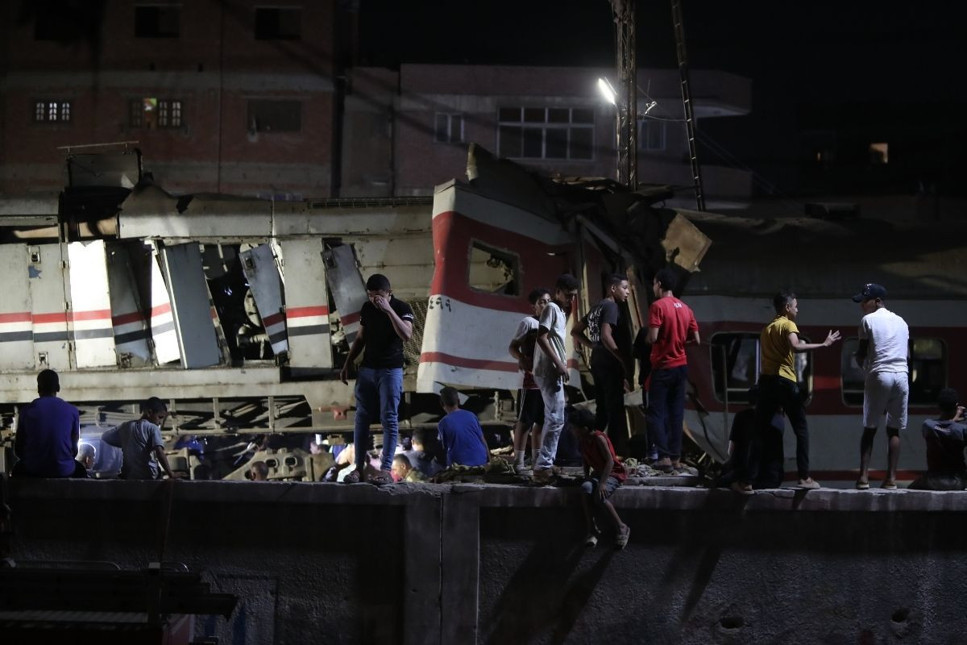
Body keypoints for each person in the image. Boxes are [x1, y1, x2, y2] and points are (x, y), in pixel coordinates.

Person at [734, 291, 840, 494]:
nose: (797, 309)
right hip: (785, 382)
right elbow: (796, 346)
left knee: (759, 433)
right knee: (801, 430)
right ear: (787, 308)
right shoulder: (788, 324)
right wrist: (824, 344)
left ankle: (747, 481)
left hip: (766, 383)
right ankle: (804, 476)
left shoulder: (767, 329)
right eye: (796, 306)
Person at [340, 273, 415, 484]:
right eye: (372, 296)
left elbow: (407, 335)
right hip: (367, 369)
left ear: (389, 293)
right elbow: (361, 338)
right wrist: (348, 363)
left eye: (380, 295)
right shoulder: (367, 308)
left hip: (390, 370)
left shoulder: (402, 308)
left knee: (389, 418)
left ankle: (384, 470)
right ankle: (357, 469)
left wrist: (388, 310)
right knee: (361, 418)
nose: (376, 300)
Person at [852, 283, 909, 490]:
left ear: (877, 301)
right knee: (893, 430)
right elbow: (905, 353)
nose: (862, 306)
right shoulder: (902, 322)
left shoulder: (868, 320)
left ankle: (863, 478)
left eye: (865, 301)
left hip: (880, 374)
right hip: (901, 376)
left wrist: (858, 362)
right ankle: (891, 479)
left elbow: (862, 352)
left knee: (870, 428)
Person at [642, 268, 700, 475]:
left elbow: (653, 337)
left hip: (663, 366)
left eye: (654, 284)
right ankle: (676, 458)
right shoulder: (686, 308)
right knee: (676, 412)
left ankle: (664, 457)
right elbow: (697, 339)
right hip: (681, 366)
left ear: (658, 284)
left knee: (655, 413)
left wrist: (649, 338)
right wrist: (679, 341)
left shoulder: (657, 306)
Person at [571, 273, 633, 456]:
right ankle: (614, 452)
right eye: (625, 288)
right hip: (609, 362)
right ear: (613, 288)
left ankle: (591, 447)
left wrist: (593, 346)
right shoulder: (612, 306)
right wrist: (621, 358)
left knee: (602, 408)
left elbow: (575, 331)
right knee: (615, 408)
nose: (628, 292)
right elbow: (606, 335)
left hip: (597, 360)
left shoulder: (596, 307)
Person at [532, 273, 580, 484]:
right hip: (549, 370)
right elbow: (541, 337)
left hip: (553, 370)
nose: (571, 300)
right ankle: (543, 466)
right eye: (568, 295)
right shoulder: (552, 308)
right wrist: (560, 364)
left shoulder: (560, 310)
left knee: (554, 417)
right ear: (558, 291)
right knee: (555, 418)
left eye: (573, 296)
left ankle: (546, 463)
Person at [569, 407, 631, 550]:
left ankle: (622, 527)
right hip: (597, 474)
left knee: (599, 496)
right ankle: (592, 530)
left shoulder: (599, 438)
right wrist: (586, 477)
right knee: (585, 489)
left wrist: (602, 483)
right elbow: (585, 460)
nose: (572, 431)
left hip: (612, 473)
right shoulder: (582, 440)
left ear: (584, 428)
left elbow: (610, 461)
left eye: (574, 428)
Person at [13, 369, 84, 478]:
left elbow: (18, 449)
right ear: (58, 388)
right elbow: (74, 451)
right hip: (64, 471)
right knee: (81, 470)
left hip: (33, 471)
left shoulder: (26, 411)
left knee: (17, 470)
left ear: (38, 388)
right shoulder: (72, 411)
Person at [509, 287, 550, 472]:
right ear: (534, 306)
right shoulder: (528, 323)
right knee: (525, 421)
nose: (545, 305)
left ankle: (536, 461)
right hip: (530, 380)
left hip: (546, 380)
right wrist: (522, 359)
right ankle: (518, 461)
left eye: (548, 301)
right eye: (542, 302)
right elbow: (513, 347)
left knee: (541, 422)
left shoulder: (552, 324)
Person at [100, 397, 180, 480]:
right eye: (160, 417)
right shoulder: (153, 428)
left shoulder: (125, 426)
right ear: (149, 412)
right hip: (149, 476)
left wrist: (126, 444)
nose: (160, 422)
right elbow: (160, 453)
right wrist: (171, 474)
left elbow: (105, 437)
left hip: (129, 477)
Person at [908, 388, 967, 491]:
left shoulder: (928, 425)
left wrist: (953, 419)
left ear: (939, 406)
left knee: (911, 486)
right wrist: (955, 419)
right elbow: (950, 429)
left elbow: (943, 428)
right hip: (958, 481)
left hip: (933, 480)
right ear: (956, 406)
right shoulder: (962, 430)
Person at [437, 387, 490, 468]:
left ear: (441, 404)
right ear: (458, 401)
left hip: (460, 467)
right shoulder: (471, 415)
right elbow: (483, 440)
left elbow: (445, 448)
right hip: (481, 462)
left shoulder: (443, 423)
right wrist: (490, 462)